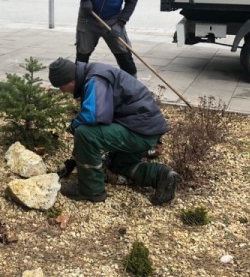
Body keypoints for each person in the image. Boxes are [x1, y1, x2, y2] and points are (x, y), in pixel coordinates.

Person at [48, 57, 179, 204]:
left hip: (139, 132)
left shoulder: (95, 79)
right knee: (119, 165)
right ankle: (162, 175)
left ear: (70, 81)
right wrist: (75, 159)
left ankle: (91, 190)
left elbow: (94, 116)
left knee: (84, 133)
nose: (62, 91)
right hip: (146, 130)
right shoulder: (94, 73)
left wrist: (73, 125)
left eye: (61, 87)